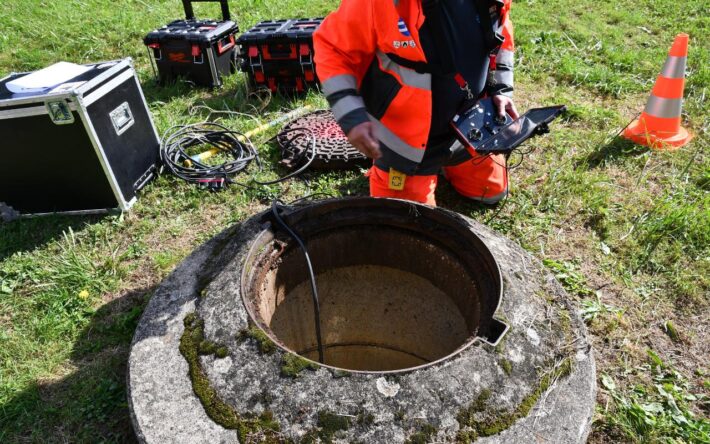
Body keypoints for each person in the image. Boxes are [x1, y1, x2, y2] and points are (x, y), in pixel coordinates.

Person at [314, 0, 517, 206]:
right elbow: (334, 49)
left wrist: (500, 88)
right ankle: (405, 173)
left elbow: (500, 30)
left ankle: (450, 164)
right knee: (408, 221)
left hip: (471, 125)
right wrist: (351, 115)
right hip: (406, 141)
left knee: (490, 193)